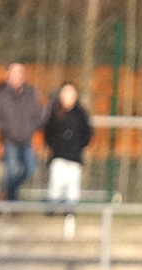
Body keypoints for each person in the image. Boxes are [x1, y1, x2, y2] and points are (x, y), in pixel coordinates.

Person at [0, 62, 43, 203]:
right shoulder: (0, 93)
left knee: (30, 169)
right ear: (8, 75)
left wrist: (31, 127)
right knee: (11, 172)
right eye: (13, 72)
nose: (17, 76)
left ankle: (6, 193)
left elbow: (38, 114)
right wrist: (6, 128)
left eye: (20, 73)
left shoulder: (30, 93)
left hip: (26, 140)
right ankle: (12, 203)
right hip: (9, 140)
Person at [43, 81, 92, 239]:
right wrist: (53, 146)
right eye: (65, 93)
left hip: (75, 156)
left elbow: (87, 133)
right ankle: (53, 205)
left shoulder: (80, 113)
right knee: (57, 180)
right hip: (58, 155)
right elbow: (48, 132)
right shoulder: (55, 112)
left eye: (71, 93)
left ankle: (70, 210)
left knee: (73, 183)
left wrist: (78, 145)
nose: (68, 97)